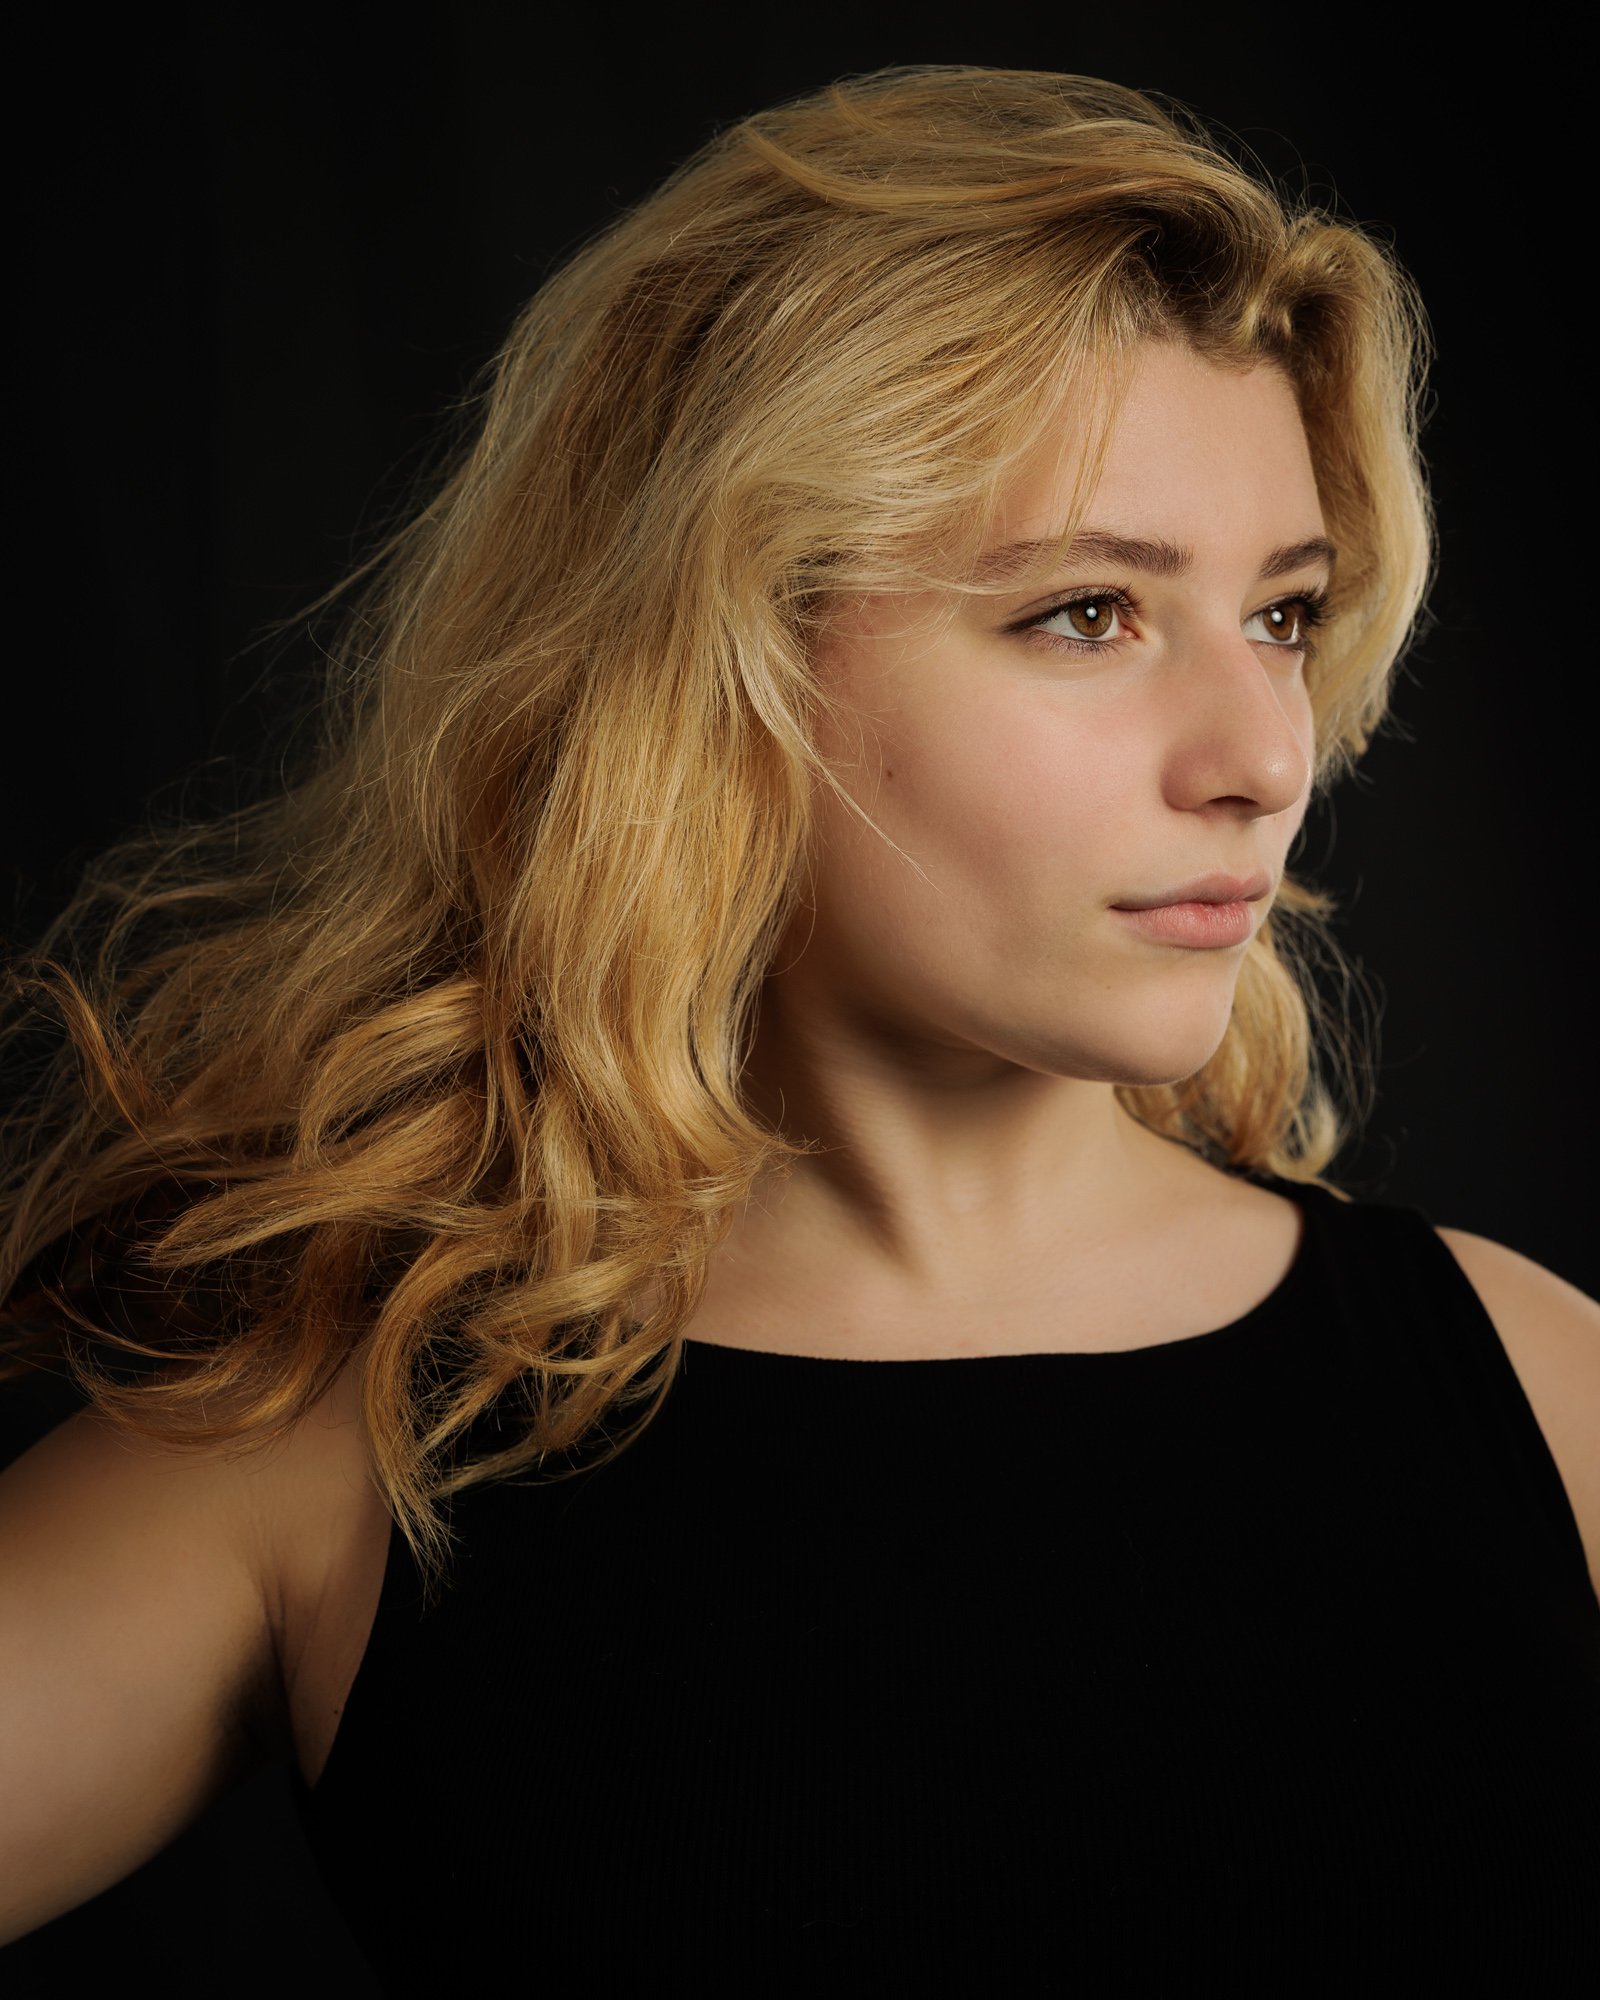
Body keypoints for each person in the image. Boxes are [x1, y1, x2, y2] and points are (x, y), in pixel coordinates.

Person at [1, 63, 1596, 1985]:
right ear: (713, 664)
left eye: (1283, 613)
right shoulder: (352, 1451)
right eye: (1089, 612)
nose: (1265, 753)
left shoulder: (1543, 1395)